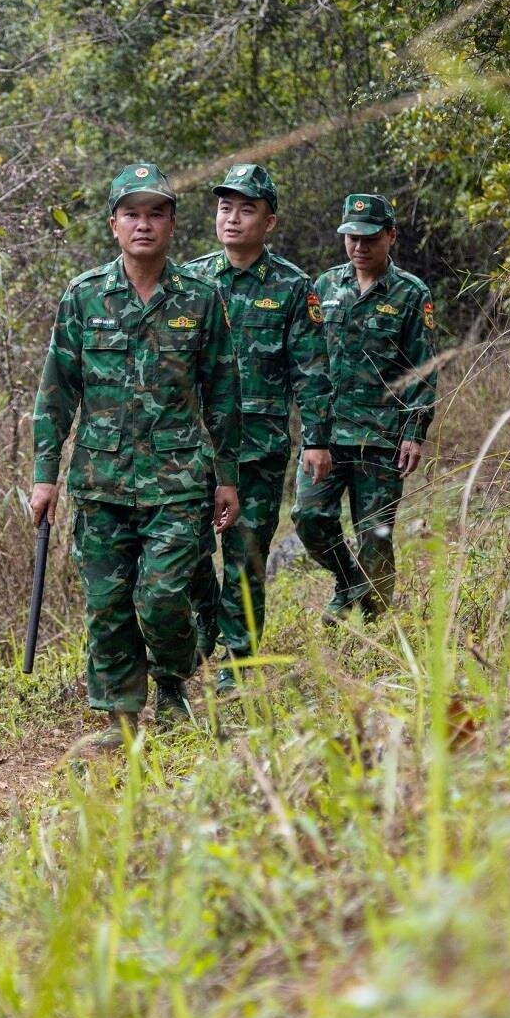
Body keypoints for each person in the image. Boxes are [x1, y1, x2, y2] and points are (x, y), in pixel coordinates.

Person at [30, 162, 242, 745]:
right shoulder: (83, 296)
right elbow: (56, 391)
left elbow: (224, 390)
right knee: (109, 603)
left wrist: (227, 476)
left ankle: (173, 686)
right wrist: (43, 476)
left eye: (156, 213)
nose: (143, 224)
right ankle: (120, 718)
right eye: (132, 214)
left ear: (172, 224)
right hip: (100, 480)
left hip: (177, 480)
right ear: (113, 225)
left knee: (163, 596)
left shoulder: (201, 299)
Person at [185, 164, 332, 693]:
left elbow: (312, 370)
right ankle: (201, 633)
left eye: (247, 209)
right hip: (194, 447)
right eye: (226, 207)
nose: (233, 217)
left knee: (246, 556)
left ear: (269, 221)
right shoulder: (192, 279)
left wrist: (315, 439)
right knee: (187, 552)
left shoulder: (293, 288)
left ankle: (238, 661)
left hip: (259, 448)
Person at [293, 193, 436, 623]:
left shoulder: (411, 294)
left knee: (374, 534)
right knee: (309, 516)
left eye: (370, 237)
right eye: (352, 237)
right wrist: (310, 432)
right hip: (328, 436)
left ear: (391, 236)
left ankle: (374, 625)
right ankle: (348, 582)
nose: (359, 246)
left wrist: (414, 430)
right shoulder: (323, 288)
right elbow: (310, 363)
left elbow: (423, 367)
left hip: (382, 436)